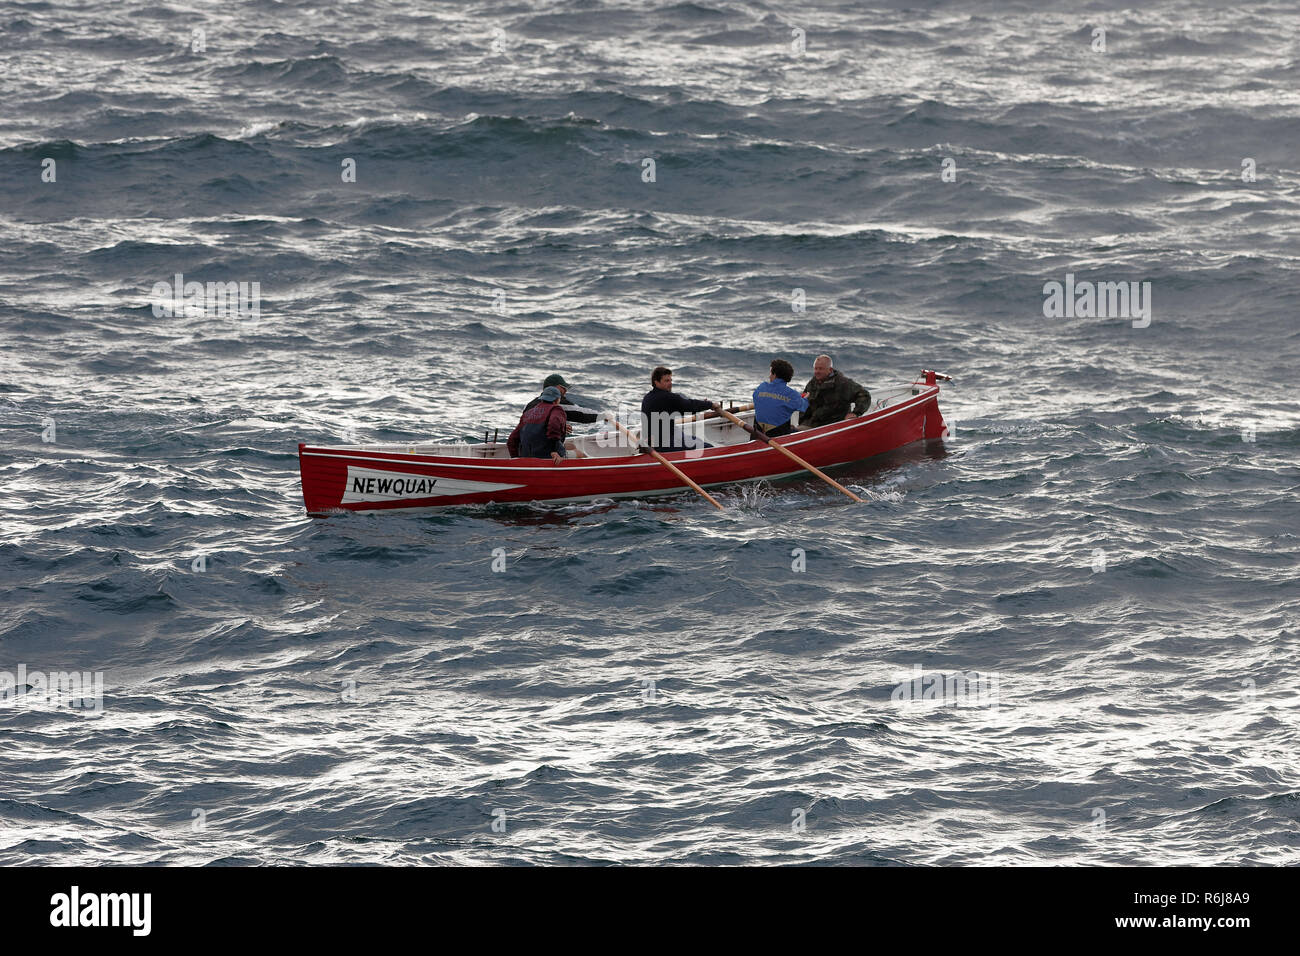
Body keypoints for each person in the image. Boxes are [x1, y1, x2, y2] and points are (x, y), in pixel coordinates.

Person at [640, 366, 720, 453]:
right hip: (663, 444)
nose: (670, 383)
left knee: (693, 439)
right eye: (666, 381)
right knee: (709, 448)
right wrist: (710, 404)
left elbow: (682, 406)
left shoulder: (647, 397)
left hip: (652, 442)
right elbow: (688, 406)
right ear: (656, 382)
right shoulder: (666, 397)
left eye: (671, 380)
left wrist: (702, 404)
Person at [799, 354, 870, 429]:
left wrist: (855, 413)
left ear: (830, 370)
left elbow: (864, 395)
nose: (817, 371)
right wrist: (802, 423)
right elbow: (804, 404)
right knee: (794, 431)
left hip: (835, 425)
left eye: (820, 369)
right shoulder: (812, 384)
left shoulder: (843, 383)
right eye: (816, 369)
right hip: (813, 425)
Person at [507, 386, 568, 463]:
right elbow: (553, 427)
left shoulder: (528, 413)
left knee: (568, 446)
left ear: (542, 398)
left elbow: (511, 440)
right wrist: (554, 451)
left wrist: (515, 459)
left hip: (525, 458)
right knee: (578, 452)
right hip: (548, 457)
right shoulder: (556, 409)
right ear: (557, 400)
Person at [752, 359, 809, 437]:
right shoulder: (792, 394)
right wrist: (805, 398)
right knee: (804, 429)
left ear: (774, 375)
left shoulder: (761, 387)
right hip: (779, 436)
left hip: (758, 435)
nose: (769, 376)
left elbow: (756, 398)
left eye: (770, 373)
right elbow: (803, 407)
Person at [521, 373, 600, 427]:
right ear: (555, 388)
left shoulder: (529, 405)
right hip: (542, 446)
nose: (565, 391)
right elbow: (581, 414)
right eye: (563, 388)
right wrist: (603, 416)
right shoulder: (557, 405)